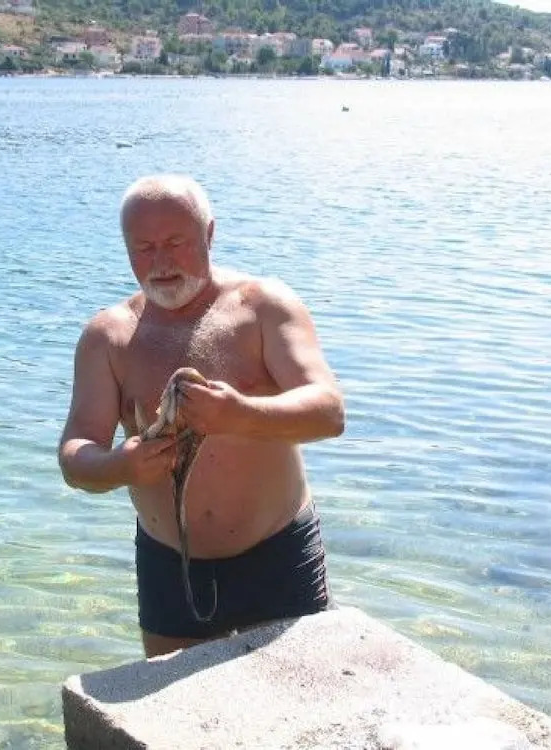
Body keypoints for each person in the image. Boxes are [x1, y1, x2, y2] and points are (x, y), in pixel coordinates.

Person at [57, 174, 345, 658]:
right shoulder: (108, 337)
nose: (161, 262)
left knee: (300, 693)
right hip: (169, 563)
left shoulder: (263, 307)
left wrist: (240, 414)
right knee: (174, 700)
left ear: (209, 234)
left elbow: (329, 412)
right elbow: (75, 455)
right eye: (144, 248)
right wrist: (119, 465)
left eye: (176, 243)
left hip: (276, 552)